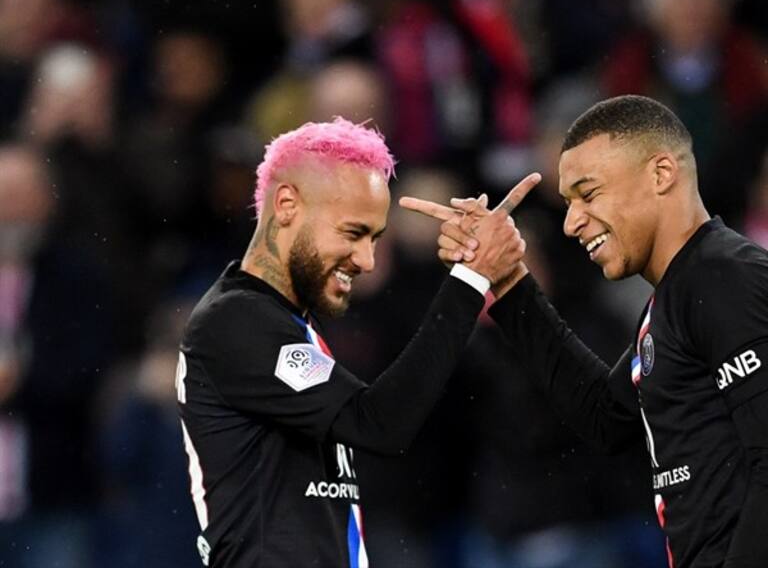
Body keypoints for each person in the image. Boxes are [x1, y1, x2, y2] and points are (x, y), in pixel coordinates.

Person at [401, 95, 768, 568]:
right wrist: (509, 282)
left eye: (588, 194)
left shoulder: (724, 278)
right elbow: (605, 418)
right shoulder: (674, 298)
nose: (572, 223)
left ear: (661, 174)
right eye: (569, 202)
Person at [176, 117, 536, 568]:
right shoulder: (235, 322)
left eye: (375, 237)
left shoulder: (285, 323)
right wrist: (469, 277)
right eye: (352, 233)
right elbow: (378, 424)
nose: (366, 260)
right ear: (286, 204)